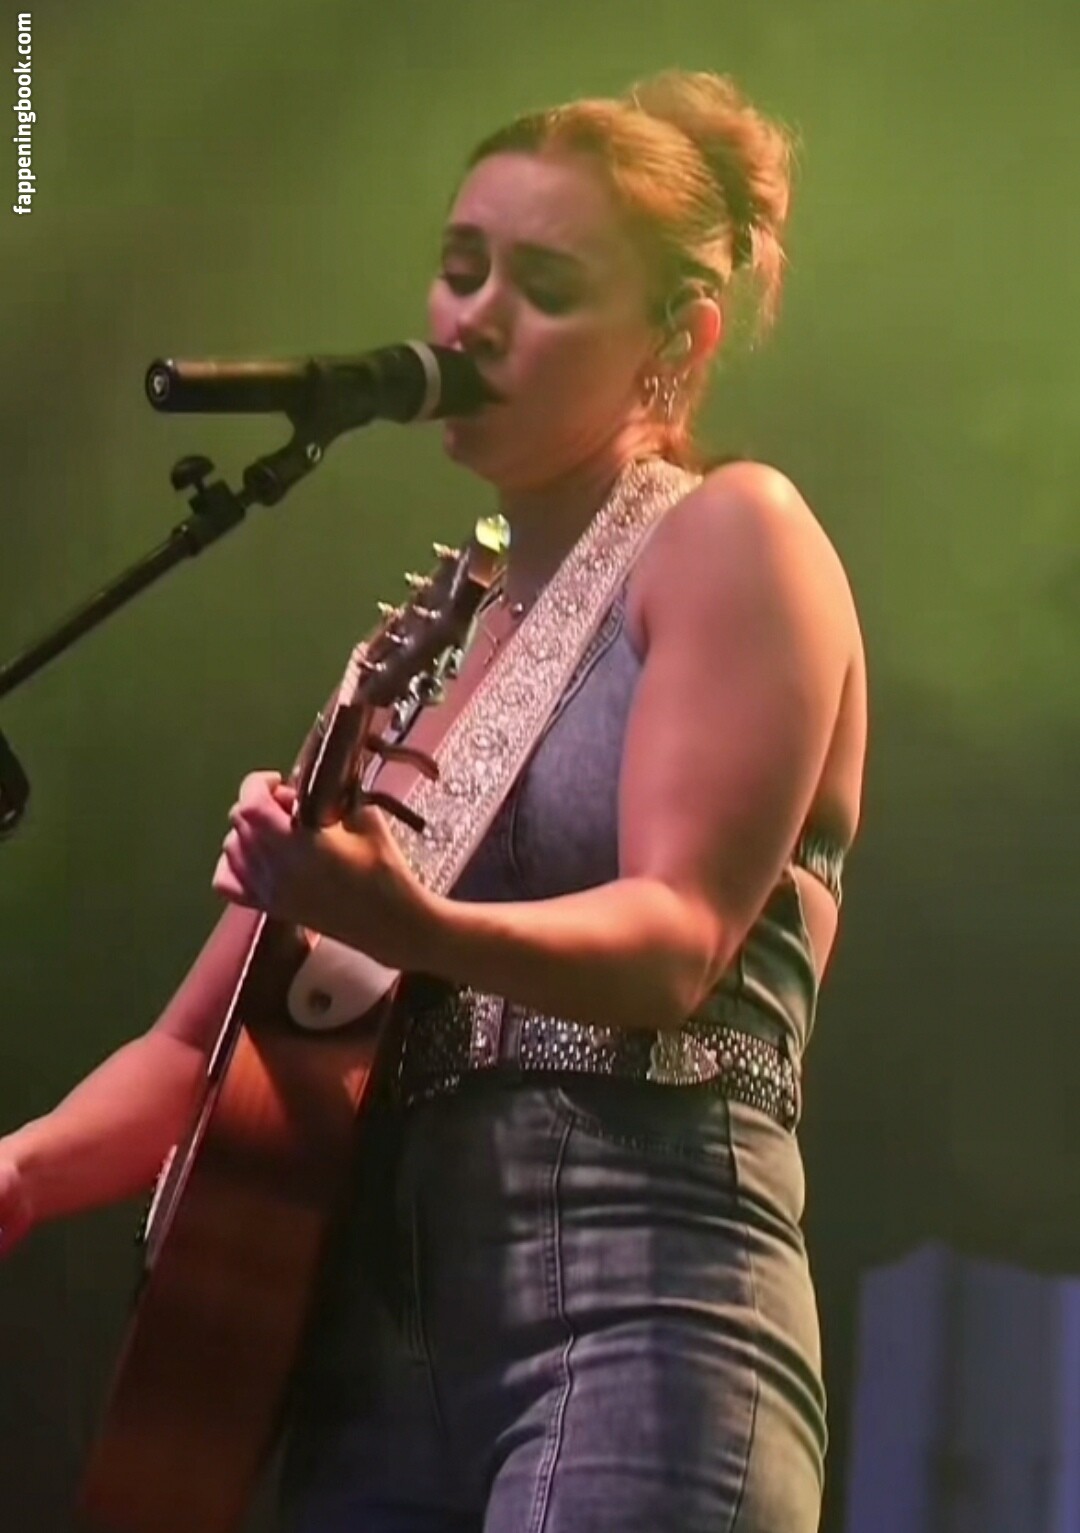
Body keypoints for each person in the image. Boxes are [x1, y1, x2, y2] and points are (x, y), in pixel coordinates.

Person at [0, 68, 866, 1533]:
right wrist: (22, 1168)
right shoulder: (413, 661)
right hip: (365, 1351)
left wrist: (405, 921)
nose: (475, 318)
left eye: (545, 285)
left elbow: (676, 941)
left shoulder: (733, 536)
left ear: (679, 335)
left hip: (639, 1287)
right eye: (462, 269)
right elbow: (201, 1052)